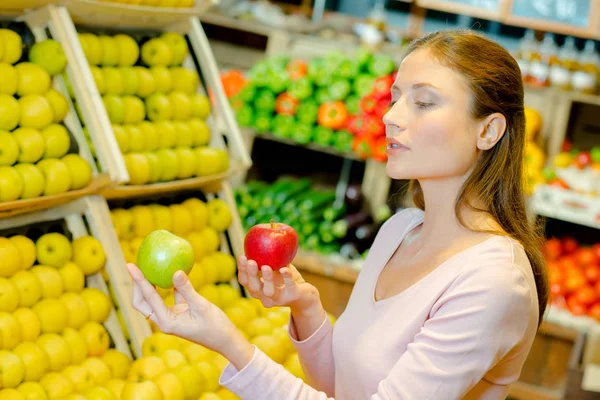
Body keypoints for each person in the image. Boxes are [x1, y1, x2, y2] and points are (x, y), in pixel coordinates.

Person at [128, 29, 548, 400]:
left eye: (423, 103)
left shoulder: (492, 281)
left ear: (488, 131)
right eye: (395, 99)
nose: (391, 118)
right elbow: (339, 390)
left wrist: (230, 344)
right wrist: (306, 307)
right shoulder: (398, 232)